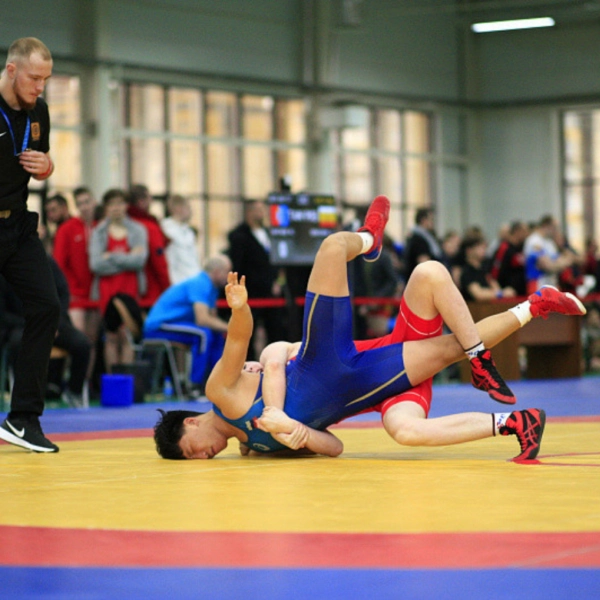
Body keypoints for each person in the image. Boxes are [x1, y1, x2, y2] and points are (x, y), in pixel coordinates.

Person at [152, 196, 584, 461]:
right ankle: (531, 320)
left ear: (188, 426)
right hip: (365, 381)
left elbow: (241, 341)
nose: (205, 457)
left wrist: (240, 309)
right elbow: (335, 446)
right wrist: (301, 436)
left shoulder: (221, 392)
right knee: (446, 359)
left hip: (324, 356)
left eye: (194, 453)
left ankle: (369, 241)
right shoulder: (254, 448)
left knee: (332, 246)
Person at [0, 37, 62, 453]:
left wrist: (47, 167)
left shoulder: (39, 111)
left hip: (17, 227)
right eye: (34, 78)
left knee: (47, 306)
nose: (40, 87)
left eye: (46, 79)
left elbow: (40, 158)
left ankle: (23, 419)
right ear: (11, 71)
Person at [143, 255, 232, 394]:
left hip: (174, 324)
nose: (229, 276)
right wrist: (232, 328)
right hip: (159, 325)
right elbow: (202, 319)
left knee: (215, 333)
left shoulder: (213, 288)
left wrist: (226, 328)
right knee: (203, 334)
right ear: (216, 271)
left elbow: (212, 318)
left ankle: (217, 382)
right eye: (227, 271)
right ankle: (195, 386)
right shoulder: (201, 283)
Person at [89, 188, 148, 373]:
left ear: (126, 206)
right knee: (111, 335)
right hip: (108, 289)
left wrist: (110, 256)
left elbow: (139, 261)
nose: (116, 208)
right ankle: (114, 382)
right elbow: (96, 264)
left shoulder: (138, 230)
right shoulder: (98, 232)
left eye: (120, 203)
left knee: (127, 334)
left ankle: (127, 383)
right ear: (106, 207)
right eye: (112, 204)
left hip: (130, 287)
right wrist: (126, 257)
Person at [227, 199, 285, 360]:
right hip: (252, 291)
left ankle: (275, 361)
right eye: (258, 210)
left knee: (275, 329)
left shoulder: (268, 234)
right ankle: (248, 364)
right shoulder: (238, 236)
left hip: (271, 293)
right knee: (248, 332)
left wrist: (276, 282)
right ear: (249, 212)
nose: (262, 213)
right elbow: (239, 265)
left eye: (263, 210)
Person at [53, 186, 101, 371]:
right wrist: (66, 292)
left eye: (87, 202)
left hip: (95, 293)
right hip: (75, 294)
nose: (84, 207)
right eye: (80, 203)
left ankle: (84, 387)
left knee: (92, 341)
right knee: (79, 339)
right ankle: (72, 383)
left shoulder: (101, 227)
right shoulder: (67, 229)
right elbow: (58, 264)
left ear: (94, 202)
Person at [127, 184, 171, 312]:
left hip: (124, 289)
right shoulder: (150, 227)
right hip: (150, 291)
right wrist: (167, 288)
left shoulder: (120, 225)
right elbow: (159, 262)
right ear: (141, 201)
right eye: (149, 199)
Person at [524, 215, 574, 294]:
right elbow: (547, 266)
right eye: (554, 227)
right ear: (546, 226)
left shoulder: (550, 243)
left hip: (552, 283)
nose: (556, 231)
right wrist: (559, 264)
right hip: (538, 284)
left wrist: (555, 264)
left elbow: (561, 261)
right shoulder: (534, 241)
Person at [459, 233, 516, 302]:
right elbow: (479, 294)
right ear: (469, 250)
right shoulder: (467, 272)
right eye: (480, 247)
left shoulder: (485, 268)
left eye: (484, 247)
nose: (483, 250)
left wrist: (503, 292)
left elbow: (495, 285)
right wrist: (501, 293)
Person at [161, 194, 200, 284]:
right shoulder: (166, 230)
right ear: (178, 208)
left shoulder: (188, 231)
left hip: (192, 278)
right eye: (188, 207)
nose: (191, 211)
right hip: (177, 280)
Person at [489, 220, 529, 297]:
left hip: (521, 294)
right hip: (508, 295)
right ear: (517, 232)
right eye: (524, 231)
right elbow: (495, 271)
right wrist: (500, 291)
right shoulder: (504, 248)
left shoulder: (521, 248)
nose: (526, 234)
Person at [403, 207, 443, 280]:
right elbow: (424, 265)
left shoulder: (415, 236)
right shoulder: (419, 240)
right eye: (431, 220)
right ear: (424, 220)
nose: (432, 223)